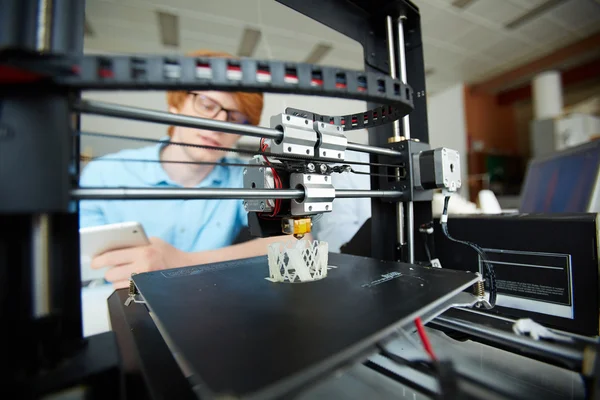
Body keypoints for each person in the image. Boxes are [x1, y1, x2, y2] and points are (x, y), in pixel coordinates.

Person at [80, 49, 289, 288]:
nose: (218, 125)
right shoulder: (104, 174)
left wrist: (185, 261)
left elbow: (296, 240)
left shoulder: (247, 178)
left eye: (236, 118)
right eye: (206, 104)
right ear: (176, 104)